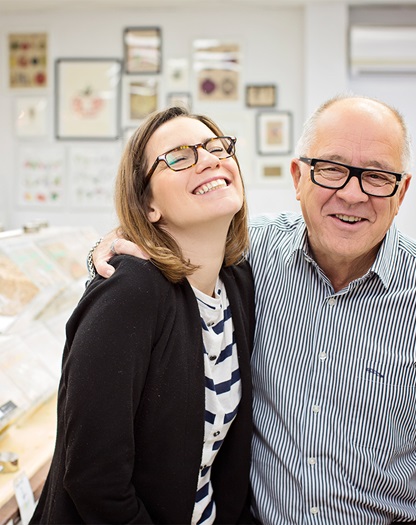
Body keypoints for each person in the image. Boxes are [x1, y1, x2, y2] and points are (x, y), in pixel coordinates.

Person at [91, 95, 416, 524]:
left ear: (402, 191)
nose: (353, 195)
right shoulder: (248, 256)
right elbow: (170, 230)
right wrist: (109, 245)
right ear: (298, 177)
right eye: (332, 169)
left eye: (376, 176)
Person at [31, 106, 255, 525]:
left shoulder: (237, 280)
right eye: (179, 156)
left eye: (215, 147)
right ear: (148, 205)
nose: (208, 159)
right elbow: (94, 479)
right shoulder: (130, 291)